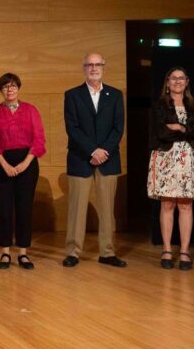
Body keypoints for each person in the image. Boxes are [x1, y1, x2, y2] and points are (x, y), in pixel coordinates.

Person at [62, 53, 126, 268]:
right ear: (84, 68)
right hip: (81, 158)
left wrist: (103, 151)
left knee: (107, 209)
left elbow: (118, 128)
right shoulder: (72, 95)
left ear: (104, 68)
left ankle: (107, 252)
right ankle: (73, 251)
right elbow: (72, 128)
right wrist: (92, 150)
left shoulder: (115, 95)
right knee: (76, 208)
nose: (94, 68)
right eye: (89, 64)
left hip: (108, 159)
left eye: (97, 64)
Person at [148, 67, 194, 271]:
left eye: (181, 78)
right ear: (167, 82)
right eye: (173, 78)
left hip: (189, 159)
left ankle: (184, 251)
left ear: (187, 81)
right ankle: (166, 249)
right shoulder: (159, 105)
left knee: (185, 206)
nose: (177, 81)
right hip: (166, 158)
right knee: (167, 205)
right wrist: (192, 130)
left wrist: (181, 128)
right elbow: (161, 133)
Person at [0, 73, 45, 270]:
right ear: (0, 90)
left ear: (18, 88)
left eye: (12, 86)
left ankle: (23, 253)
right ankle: (5, 252)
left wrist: (25, 163)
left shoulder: (31, 110)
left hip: (27, 163)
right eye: (5, 87)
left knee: (24, 209)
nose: (9, 90)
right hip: (2, 163)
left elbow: (39, 139)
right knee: (4, 209)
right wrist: (5, 165)